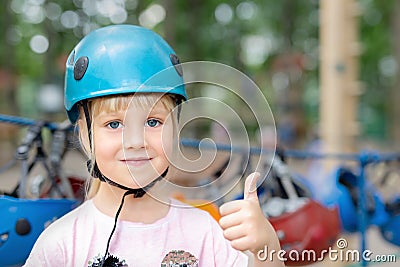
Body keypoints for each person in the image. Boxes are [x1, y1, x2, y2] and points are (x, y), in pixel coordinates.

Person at [24, 25, 284, 267]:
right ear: (84, 134)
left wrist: (266, 246)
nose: (136, 142)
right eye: (114, 124)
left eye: (153, 121)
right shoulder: (60, 245)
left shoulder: (206, 231)